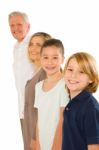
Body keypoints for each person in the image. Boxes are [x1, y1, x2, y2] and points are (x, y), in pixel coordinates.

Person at [34, 38, 69, 150]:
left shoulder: (65, 84)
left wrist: (56, 146)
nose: (50, 62)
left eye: (55, 57)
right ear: (40, 59)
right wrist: (37, 144)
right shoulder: (38, 86)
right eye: (46, 57)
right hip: (43, 143)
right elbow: (39, 119)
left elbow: (62, 120)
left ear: (62, 59)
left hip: (59, 144)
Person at [8, 11, 36, 149]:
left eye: (19, 24)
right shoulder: (16, 47)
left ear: (28, 26)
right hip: (22, 106)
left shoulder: (33, 44)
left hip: (35, 105)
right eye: (12, 25)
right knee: (27, 145)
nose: (15, 28)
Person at [62, 52, 99, 150]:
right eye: (70, 69)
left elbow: (94, 146)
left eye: (81, 72)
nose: (73, 75)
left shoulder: (90, 108)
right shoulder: (71, 103)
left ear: (91, 78)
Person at [24, 32, 52, 150]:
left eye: (38, 45)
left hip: (39, 135)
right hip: (30, 129)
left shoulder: (46, 73)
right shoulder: (36, 71)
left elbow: (47, 111)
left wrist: (37, 139)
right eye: (31, 44)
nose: (33, 48)